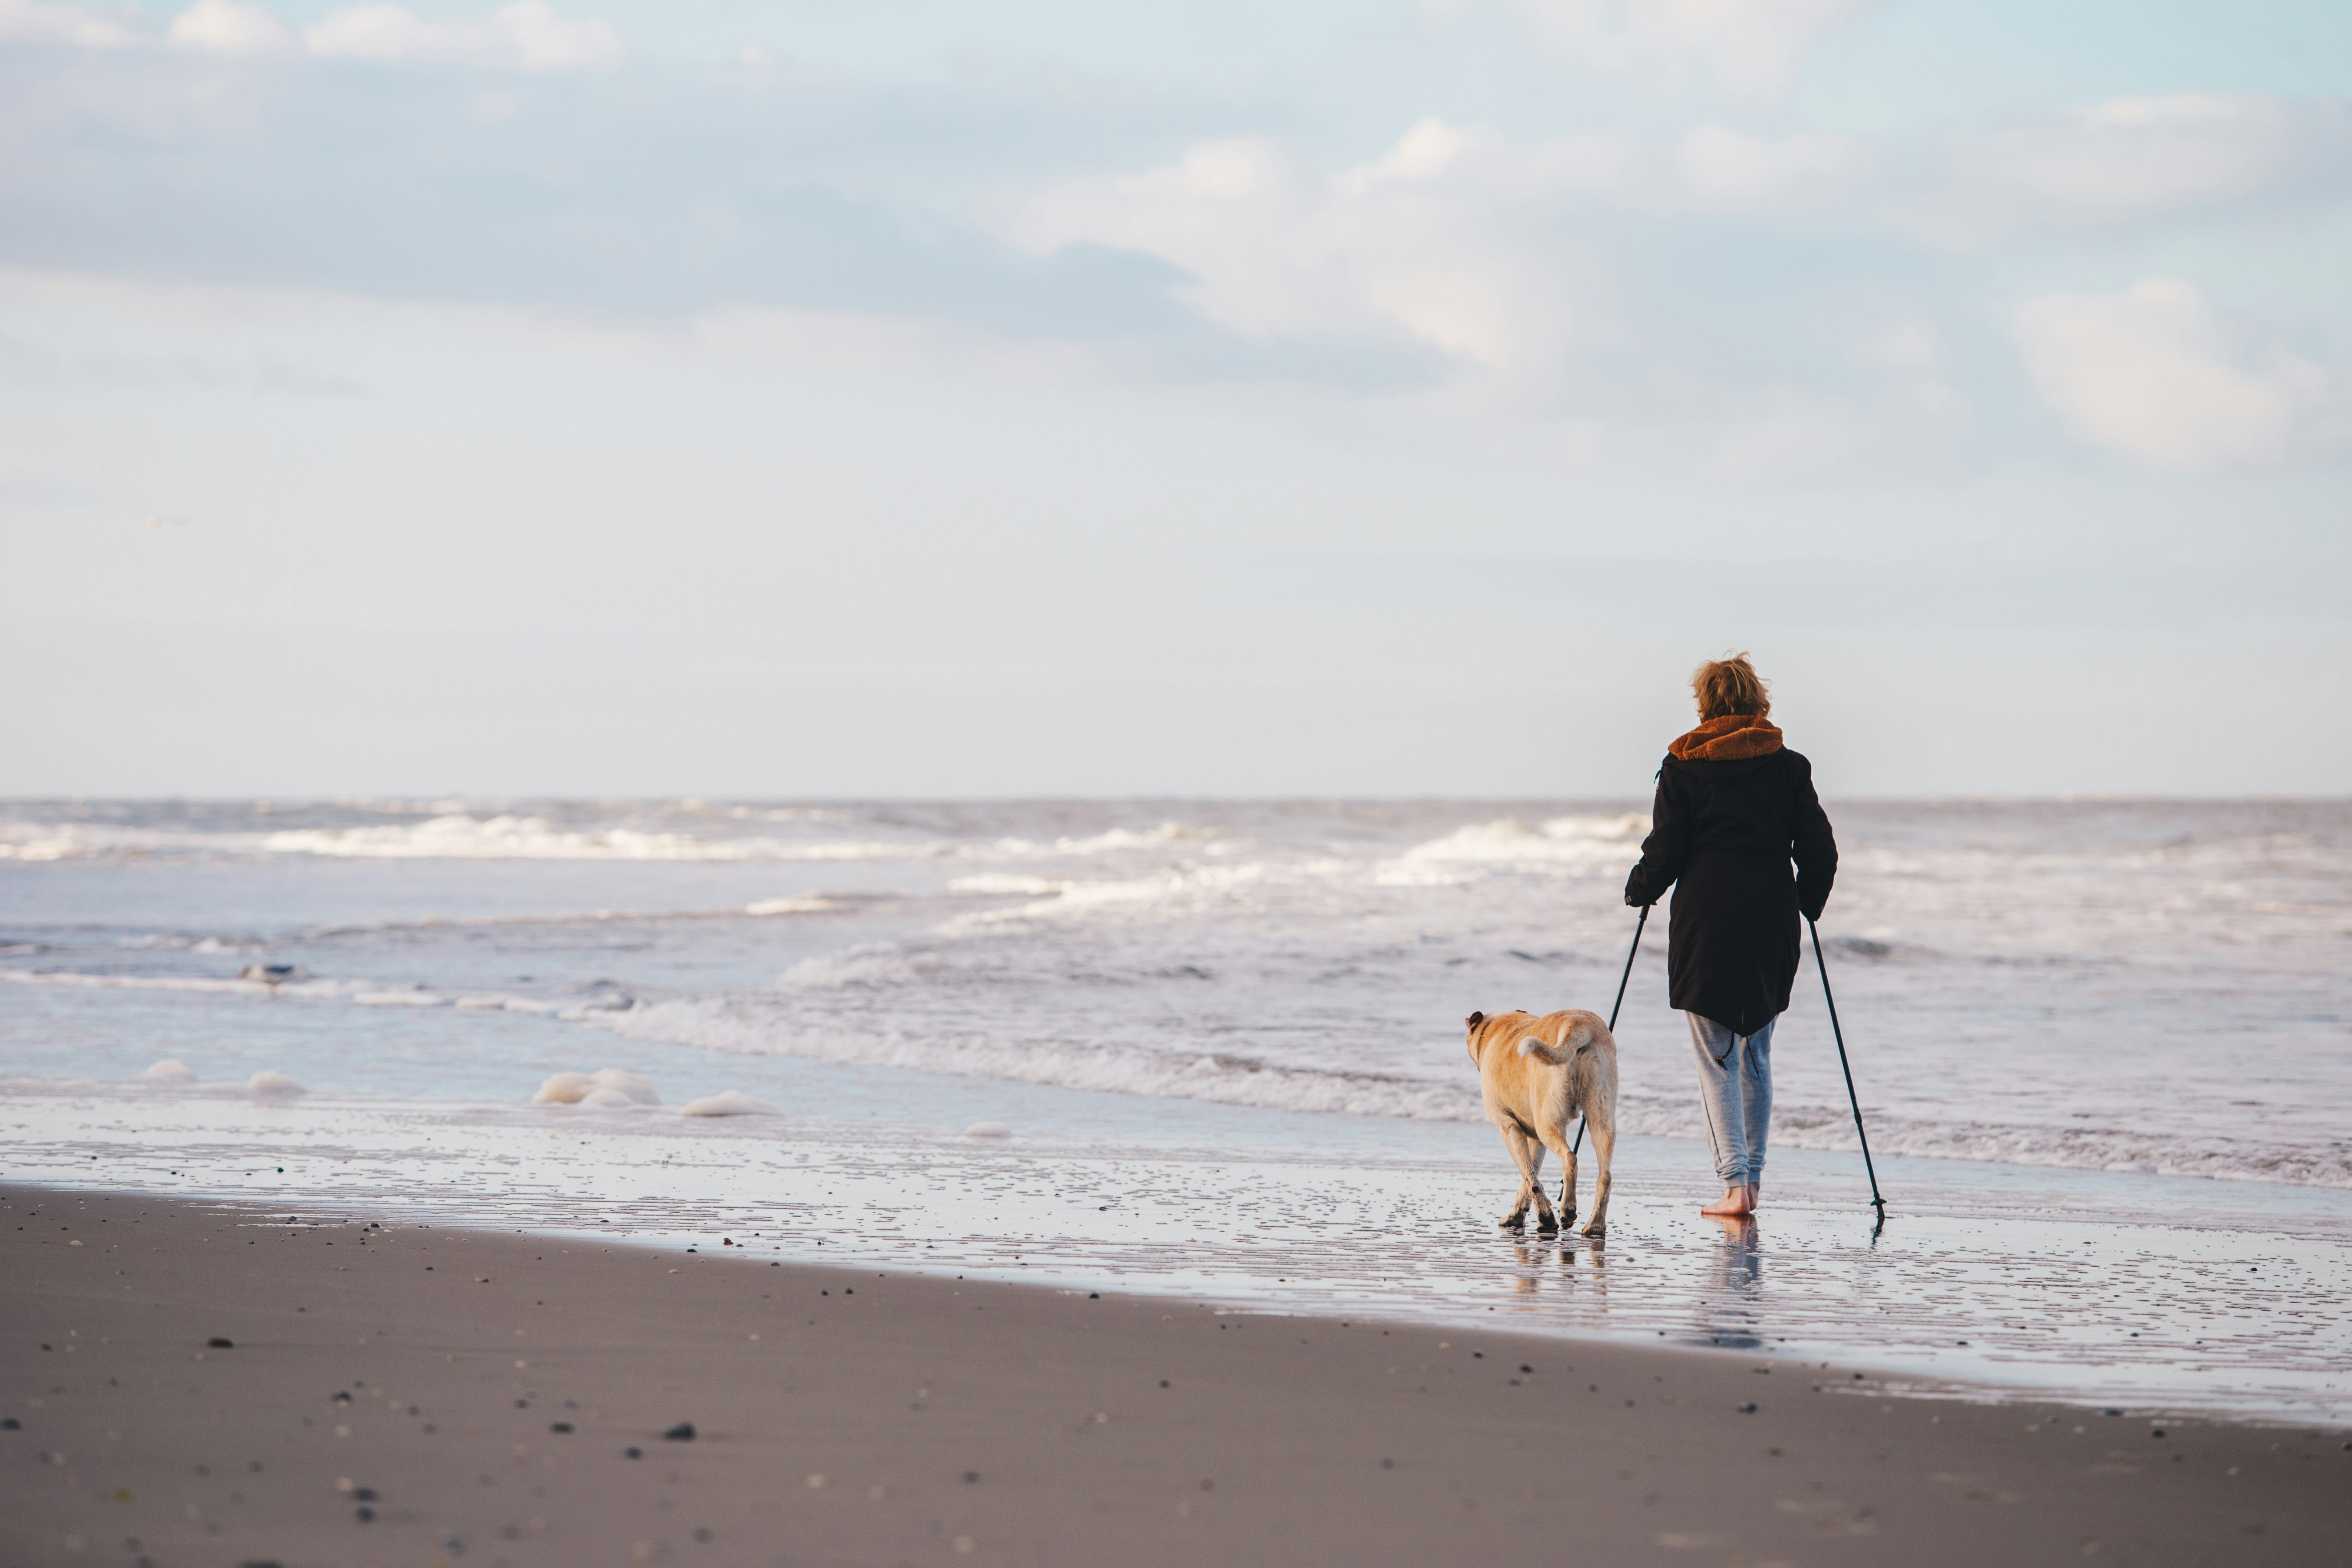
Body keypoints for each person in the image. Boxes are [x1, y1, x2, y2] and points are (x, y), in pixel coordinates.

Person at [1622, 653, 1836, 1218]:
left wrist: (1641, 888)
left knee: (1716, 1056)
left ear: (1706, 703)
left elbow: (1665, 848)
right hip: (1771, 918)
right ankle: (1753, 1184)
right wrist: (1808, 902)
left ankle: (1734, 1186)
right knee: (1757, 1054)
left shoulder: (1683, 764)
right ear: (1756, 700)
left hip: (1705, 923)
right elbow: (1820, 850)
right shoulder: (1789, 766)